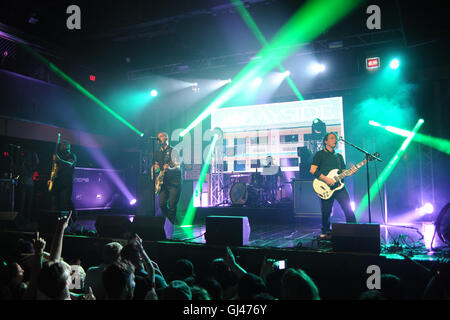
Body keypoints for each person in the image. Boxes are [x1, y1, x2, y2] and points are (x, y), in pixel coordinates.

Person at [309, 132, 357, 239]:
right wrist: (326, 179)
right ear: (326, 141)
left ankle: (354, 229)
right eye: (331, 138)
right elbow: (312, 170)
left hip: (339, 187)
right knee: (326, 211)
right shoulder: (319, 154)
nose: (334, 140)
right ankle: (326, 230)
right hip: (325, 186)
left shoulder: (339, 156)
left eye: (335, 138)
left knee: (348, 208)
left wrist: (351, 171)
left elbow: (343, 172)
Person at [152, 132, 182, 225]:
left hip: (174, 183)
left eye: (161, 136)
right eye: (158, 137)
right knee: (161, 204)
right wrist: (155, 169)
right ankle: (171, 220)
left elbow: (178, 166)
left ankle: (170, 224)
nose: (159, 138)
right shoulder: (157, 153)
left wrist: (169, 168)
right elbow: (157, 166)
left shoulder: (173, 151)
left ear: (167, 138)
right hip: (163, 183)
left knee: (172, 205)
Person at [50, 140, 77, 225]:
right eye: (61, 145)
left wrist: (59, 160)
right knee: (56, 204)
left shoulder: (72, 155)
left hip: (66, 184)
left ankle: (70, 222)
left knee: (65, 204)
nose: (61, 146)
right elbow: (56, 169)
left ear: (67, 146)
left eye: (63, 145)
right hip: (58, 183)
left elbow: (69, 164)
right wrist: (51, 179)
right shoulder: (60, 156)